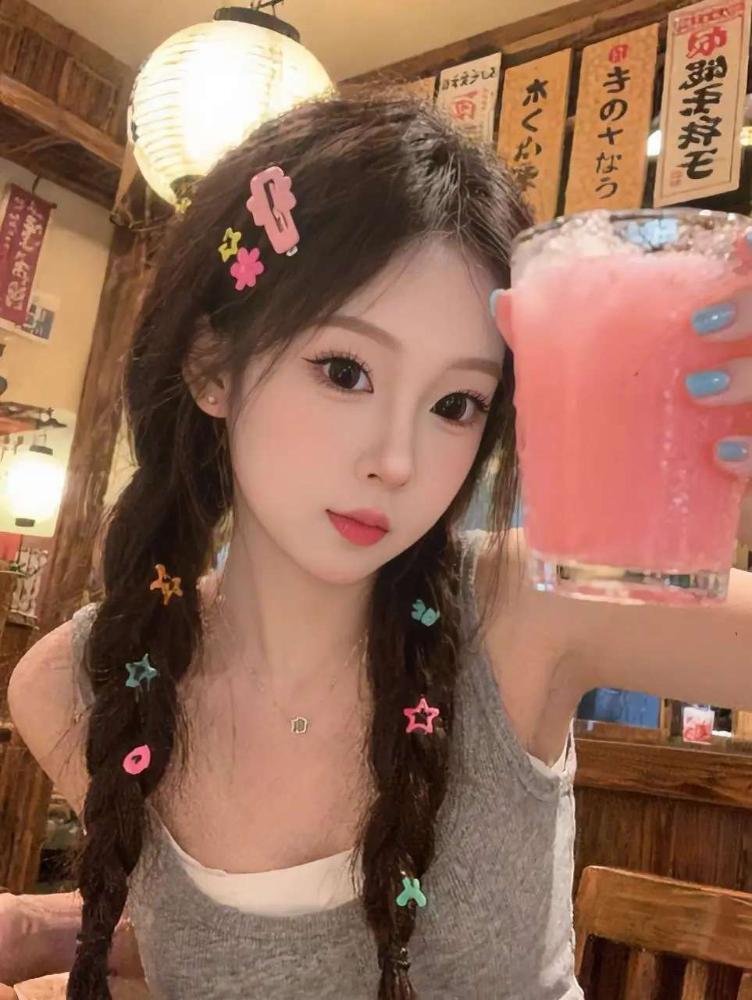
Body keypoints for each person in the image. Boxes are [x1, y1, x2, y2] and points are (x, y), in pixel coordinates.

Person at [7, 88, 752, 1000]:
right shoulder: (80, 683)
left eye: (456, 404)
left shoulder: (524, 610)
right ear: (211, 366)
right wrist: (47, 931)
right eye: (345, 370)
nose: (397, 462)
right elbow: (228, 961)